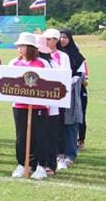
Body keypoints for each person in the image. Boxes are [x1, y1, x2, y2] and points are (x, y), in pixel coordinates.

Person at [9, 33, 50, 179]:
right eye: (18, 46)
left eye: (22, 46)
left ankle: (41, 166)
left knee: (40, 136)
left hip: (39, 106)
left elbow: (49, 82)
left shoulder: (42, 63)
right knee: (21, 136)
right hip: (20, 105)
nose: (19, 48)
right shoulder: (14, 63)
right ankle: (21, 164)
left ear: (30, 47)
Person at [42, 28, 71, 174]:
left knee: (57, 129)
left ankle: (60, 157)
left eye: (49, 39)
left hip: (56, 99)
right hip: (42, 99)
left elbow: (64, 75)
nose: (46, 42)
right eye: (45, 39)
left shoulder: (62, 56)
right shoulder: (41, 55)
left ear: (56, 40)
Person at [59, 30, 87, 159]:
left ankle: (73, 149)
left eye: (65, 37)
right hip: (58, 92)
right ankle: (60, 152)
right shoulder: (56, 55)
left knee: (72, 121)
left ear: (70, 39)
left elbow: (81, 75)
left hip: (75, 92)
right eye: (60, 37)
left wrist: (69, 82)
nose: (62, 40)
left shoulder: (77, 56)